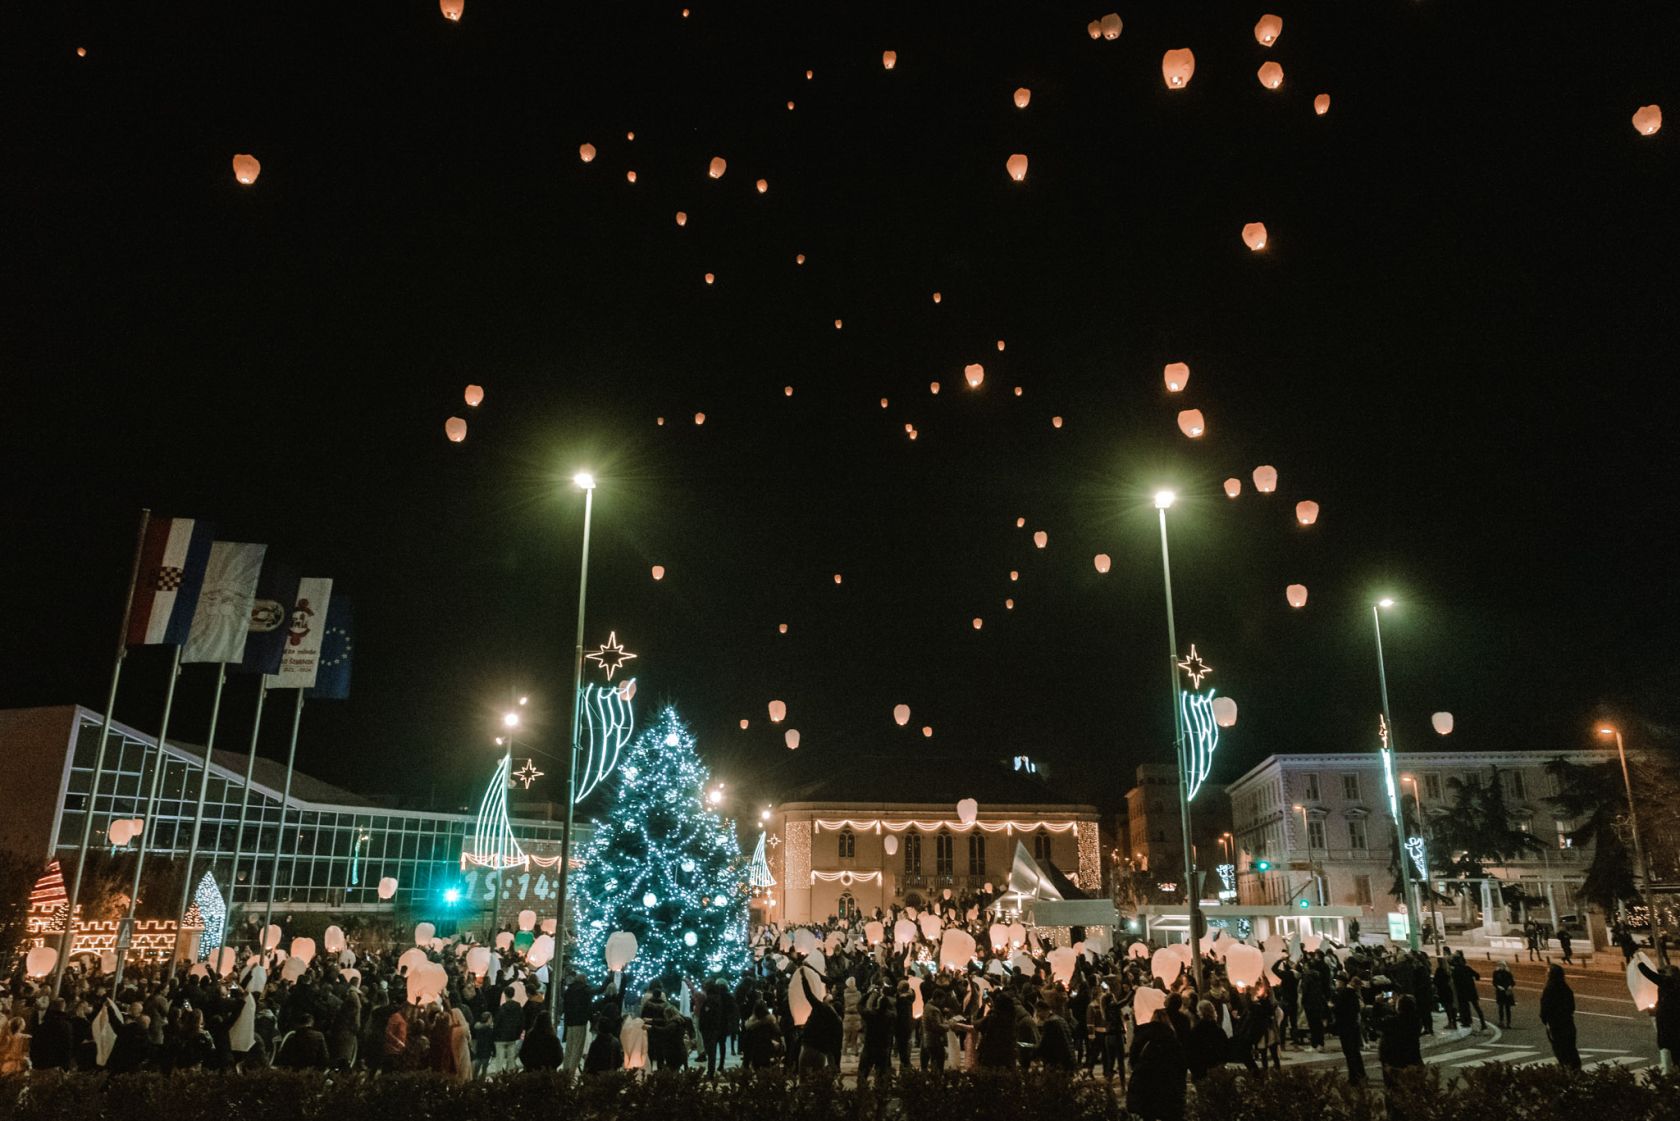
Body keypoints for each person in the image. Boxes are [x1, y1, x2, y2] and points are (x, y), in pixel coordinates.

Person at [1127, 1009, 1187, 1121]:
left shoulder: (1142, 1035)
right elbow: (1180, 1064)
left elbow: (1133, 1058)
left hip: (1144, 1079)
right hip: (1165, 1081)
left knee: (1147, 1113)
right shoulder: (1171, 1038)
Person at [1636, 959, 1679, 1076]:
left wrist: (1639, 962)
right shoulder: (1672, 983)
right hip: (1670, 1022)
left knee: (1668, 1048)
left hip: (1669, 1023)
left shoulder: (1669, 982)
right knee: (1673, 1049)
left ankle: (1670, 1074)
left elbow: (1650, 975)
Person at [1539, 964, 1580, 1070]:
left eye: (1547, 973)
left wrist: (1546, 1020)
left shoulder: (1549, 989)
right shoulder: (1566, 988)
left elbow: (1545, 1008)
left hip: (1555, 1024)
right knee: (1571, 1048)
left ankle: (1566, 1070)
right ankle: (1575, 1070)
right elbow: (1572, 1006)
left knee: (1560, 1049)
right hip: (1568, 1022)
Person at [1378, 994, 1423, 1083]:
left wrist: (1379, 1005)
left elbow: (1377, 1023)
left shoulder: (1392, 1022)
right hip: (1412, 1057)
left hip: (1395, 1060)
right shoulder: (1416, 1020)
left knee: (1396, 1088)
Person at [1333, 976, 1366, 1087]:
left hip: (1345, 1027)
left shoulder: (1344, 993)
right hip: (1353, 1026)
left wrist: (1331, 1007)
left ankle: (1354, 1077)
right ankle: (1361, 1074)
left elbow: (1339, 1009)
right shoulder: (1354, 995)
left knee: (1349, 1052)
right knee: (1355, 1052)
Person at [561, 971, 595, 1073]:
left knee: (569, 1048)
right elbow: (589, 1005)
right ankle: (571, 1073)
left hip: (570, 1022)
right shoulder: (585, 990)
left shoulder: (569, 990)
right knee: (577, 1048)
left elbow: (565, 1004)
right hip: (580, 1022)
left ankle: (565, 1070)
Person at [1186, 999, 1226, 1082]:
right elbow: (1225, 1049)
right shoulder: (1218, 1030)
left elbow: (1190, 1050)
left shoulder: (1196, 1031)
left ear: (1200, 1012)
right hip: (1215, 1066)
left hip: (1199, 1068)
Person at [740, 1001, 784, 1068]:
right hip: (767, 1046)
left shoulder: (751, 1023)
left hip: (753, 1048)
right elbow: (778, 1031)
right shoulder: (770, 1020)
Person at [1451, 952, 1488, 1032]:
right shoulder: (1467, 968)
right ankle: (1483, 1024)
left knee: (1464, 1008)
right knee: (1477, 1007)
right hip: (1471, 991)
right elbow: (1477, 975)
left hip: (1462, 992)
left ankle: (1466, 1022)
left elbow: (1455, 982)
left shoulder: (1455, 971)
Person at [1035, 1000, 1076, 1070]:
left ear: (1045, 1010)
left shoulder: (1049, 1023)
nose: (1037, 1015)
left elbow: (1044, 1044)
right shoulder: (1060, 1019)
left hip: (1058, 1062)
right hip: (1069, 1059)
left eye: (1039, 1011)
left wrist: (1034, 1055)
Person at [841, 977, 863, 1057]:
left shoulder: (844, 994)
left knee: (845, 1037)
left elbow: (843, 1005)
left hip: (847, 1016)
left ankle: (844, 1052)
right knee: (855, 1037)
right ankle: (855, 1051)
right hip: (856, 1016)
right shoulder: (858, 994)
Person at [1492, 961, 1516, 1028]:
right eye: (1500, 965)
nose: (1501, 967)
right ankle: (1501, 1022)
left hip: (1507, 992)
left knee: (1508, 1008)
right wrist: (1498, 986)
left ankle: (1508, 1023)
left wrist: (1510, 986)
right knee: (1501, 1007)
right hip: (1500, 992)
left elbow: (1513, 982)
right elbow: (1494, 982)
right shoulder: (1496, 973)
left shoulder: (1508, 973)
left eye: (1502, 965)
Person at [472, 1011, 495, 1078]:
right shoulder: (489, 1030)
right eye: (491, 1018)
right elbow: (491, 1041)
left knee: (476, 1069)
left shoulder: (477, 1028)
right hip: (487, 1052)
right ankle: (482, 1082)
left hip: (479, 1051)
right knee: (484, 1069)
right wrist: (494, 1051)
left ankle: (474, 1081)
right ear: (488, 1019)